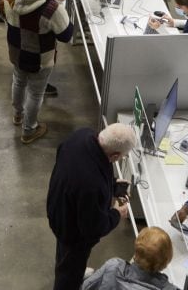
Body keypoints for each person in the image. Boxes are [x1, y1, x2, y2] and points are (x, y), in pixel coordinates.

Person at [47, 123, 137, 290]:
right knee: (70, 271)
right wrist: (117, 213)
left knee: (64, 256)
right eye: (122, 156)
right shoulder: (92, 186)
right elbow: (93, 227)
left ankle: (74, 270)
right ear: (115, 155)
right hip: (72, 232)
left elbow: (91, 166)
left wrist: (112, 184)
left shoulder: (82, 135)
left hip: (60, 208)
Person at [0, 0, 73, 145]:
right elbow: (66, 35)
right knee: (35, 93)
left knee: (18, 79)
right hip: (40, 57)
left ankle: (17, 115)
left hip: (15, 49)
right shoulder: (51, 7)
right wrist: (60, 6)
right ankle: (29, 129)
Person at [82, 226, 179, 290]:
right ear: (166, 260)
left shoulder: (113, 266)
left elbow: (86, 287)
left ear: (137, 249)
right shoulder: (168, 288)